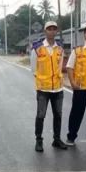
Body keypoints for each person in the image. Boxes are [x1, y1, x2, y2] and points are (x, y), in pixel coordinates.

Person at [30, 21, 68, 152]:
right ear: (45, 31)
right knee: (41, 115)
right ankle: (39, 140)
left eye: (54, 29)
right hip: (43, 89)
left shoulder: (60, 48)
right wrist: (42, 81)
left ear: (56, 31)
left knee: (58, 115)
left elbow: (60, 67)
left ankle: (56, 139)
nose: (52, 31)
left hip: (58, 88)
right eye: (49, 29)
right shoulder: (37, 48)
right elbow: (34, 69)